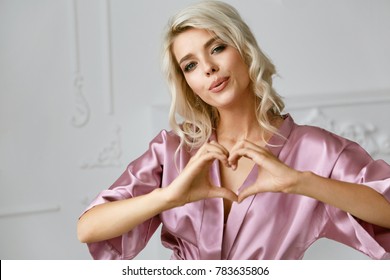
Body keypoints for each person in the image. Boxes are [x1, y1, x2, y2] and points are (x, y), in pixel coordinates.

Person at [77, 0, 390, 260]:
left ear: (244, 48)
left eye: (217, 48)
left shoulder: (313, 149)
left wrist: (300, 182)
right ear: (188, 84)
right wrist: (169, 197)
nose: (208, 68)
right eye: (190, 65)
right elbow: (88, 228)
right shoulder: (173, 151)